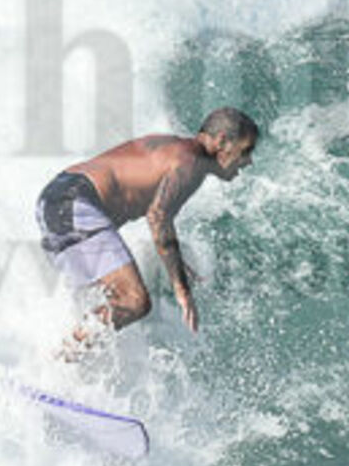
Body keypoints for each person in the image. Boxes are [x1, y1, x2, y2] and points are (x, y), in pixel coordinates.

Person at [34, 107, 258, 347]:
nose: (248, 161)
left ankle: (55, 360)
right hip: (75, 202)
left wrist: (176, 262)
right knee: (134, 301)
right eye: (245, 151)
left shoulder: (176, 149)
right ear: (222, 141)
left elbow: (149, 202)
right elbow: (158, 215)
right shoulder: (190, 161)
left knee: (100, 302)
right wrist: (182, 289)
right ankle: (61, 358)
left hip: (56, 199)